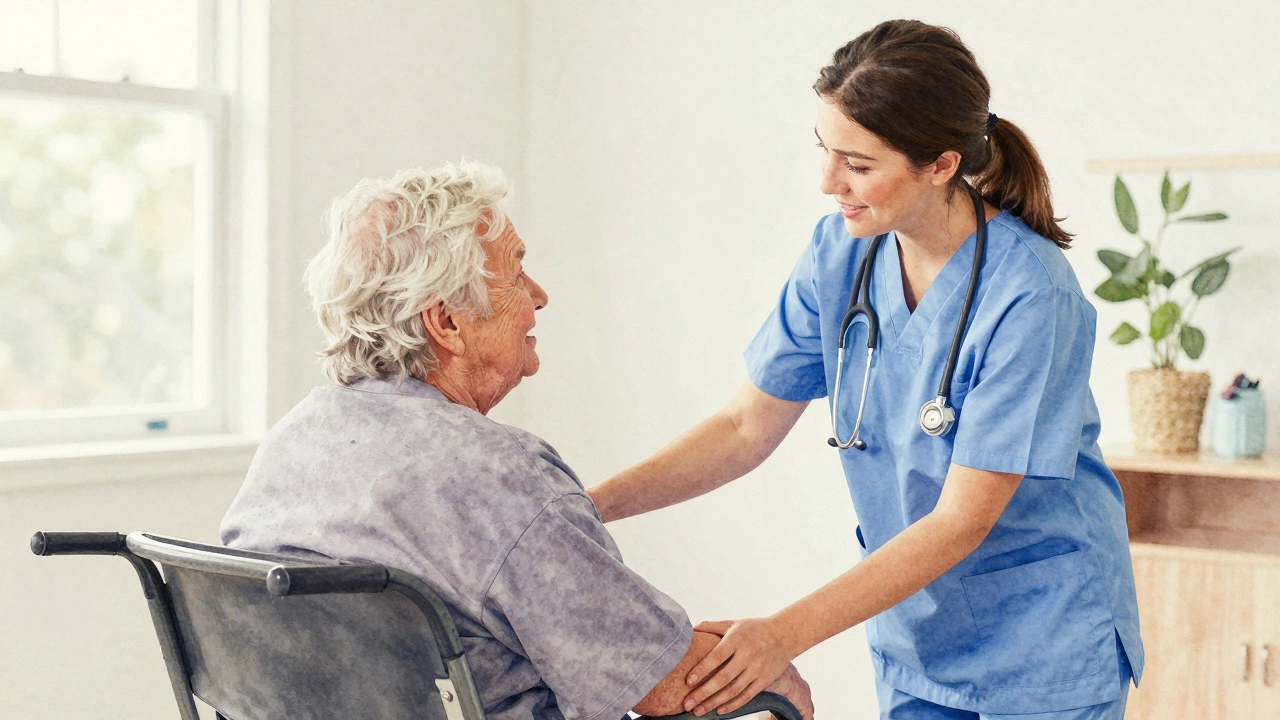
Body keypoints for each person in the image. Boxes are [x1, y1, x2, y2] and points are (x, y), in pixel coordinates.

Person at [588, 19, 1144, 720]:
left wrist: (781, 635)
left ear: (941, 164)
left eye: (857, 164)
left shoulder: (1031, 293)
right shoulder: (841, 256)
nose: (828, 182)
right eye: (825, 150)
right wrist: (584, 508)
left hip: (1043, 646)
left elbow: (960, 522)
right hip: (920, 645)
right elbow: (742, 427)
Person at [218, 162, 813, 720]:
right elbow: (666, 684)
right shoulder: (496, 474)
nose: (539, 295)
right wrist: (765, 662)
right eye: (516, 271)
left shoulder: (293, 443)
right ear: (447, 321)